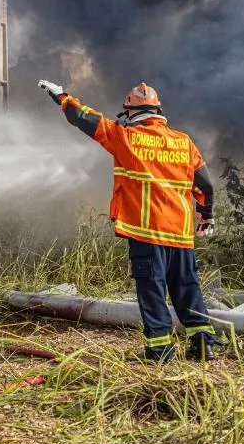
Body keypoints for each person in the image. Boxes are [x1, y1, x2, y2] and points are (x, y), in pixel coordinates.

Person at [38, 79, 218, 362]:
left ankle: (159, 350)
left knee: (152, 291)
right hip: (181, 235)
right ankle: (204, 344)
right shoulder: (184, 142)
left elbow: (84, 118)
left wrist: (61, 97)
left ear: (130, 112)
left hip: (147, 233)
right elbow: (205, 185)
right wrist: (206, 215)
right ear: (158, 111)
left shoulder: (124, 135)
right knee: (187, 287)